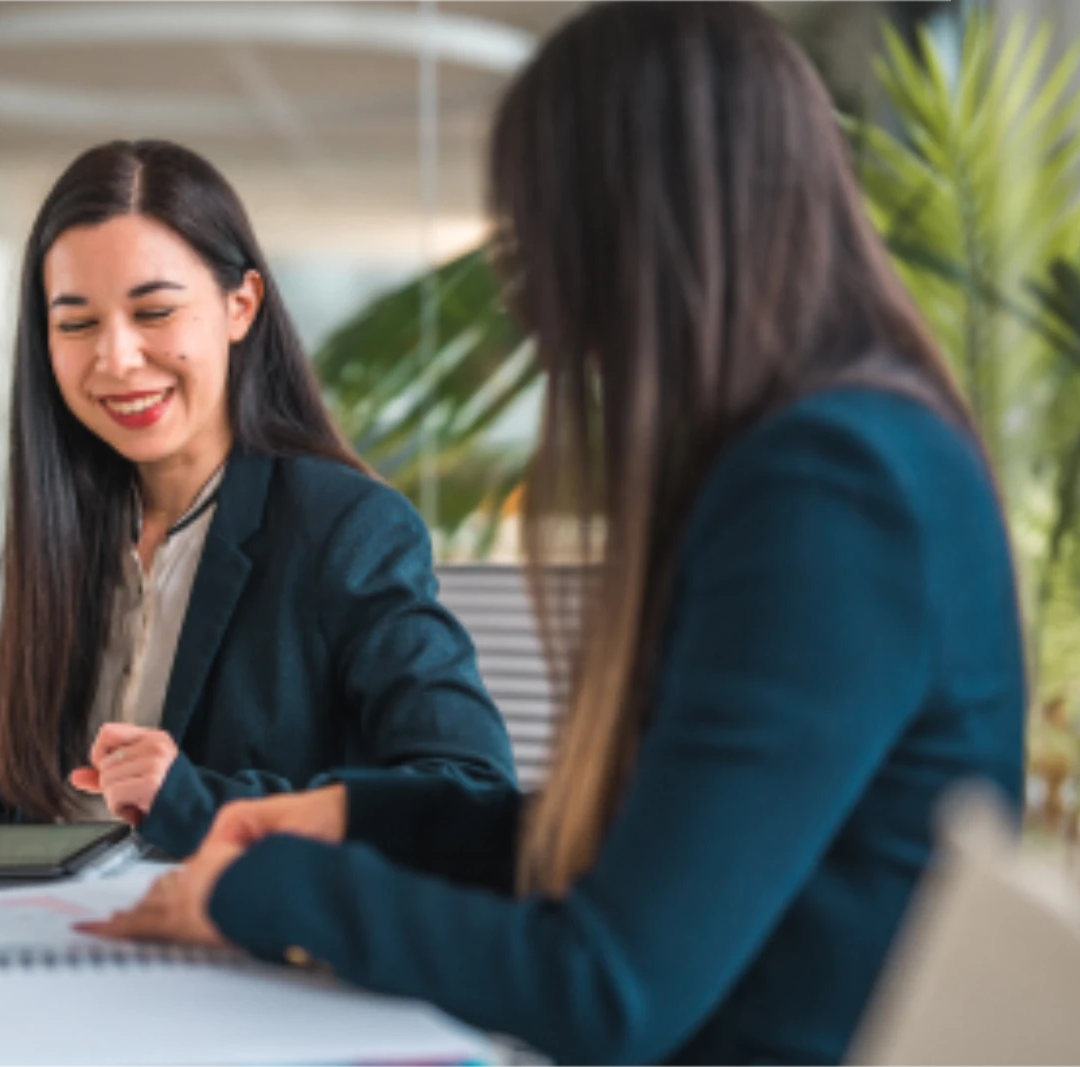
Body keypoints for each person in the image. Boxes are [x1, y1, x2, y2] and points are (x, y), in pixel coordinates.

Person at [82, 2, 1028, 1064]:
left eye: (539, 234)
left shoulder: (829, 487)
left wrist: (274, 891)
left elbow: (606, 983)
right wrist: (357, 820)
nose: (535, 305)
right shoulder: (859, 442)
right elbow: (655, 847)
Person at [0, 140, 516, 859]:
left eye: (153, 311)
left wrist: (198, 802)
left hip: (232, 946)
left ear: (240, 305)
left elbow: (472, 793)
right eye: (77, 323)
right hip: (49, 944)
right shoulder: (71, 525)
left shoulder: (345, 528)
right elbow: (4, 783)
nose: (116, 359)